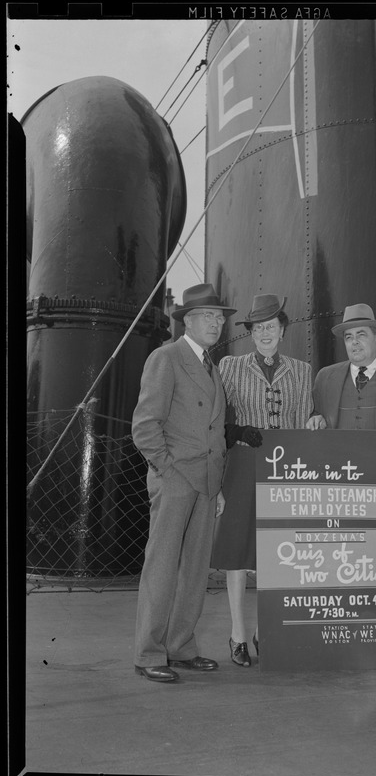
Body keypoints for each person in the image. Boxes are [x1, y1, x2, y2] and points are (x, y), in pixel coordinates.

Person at [131, 283, 236, 683]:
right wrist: (166, 470)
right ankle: (148, 652)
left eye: (219, 317)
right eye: (208, 316)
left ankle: (181, 646)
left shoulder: (212, 365)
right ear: (187, 321)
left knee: (195, 570)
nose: (216, 323)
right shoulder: (167, 358)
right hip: (176, 478)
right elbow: (145, 425)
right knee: (161, 567)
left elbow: (214, 431)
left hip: (207, 482)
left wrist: (219, 484)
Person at [211, 294, 313, 667]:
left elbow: (305, 422)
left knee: (278, 552)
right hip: (241, 465)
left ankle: (265, 630)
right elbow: (216, 419)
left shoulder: (303, 371)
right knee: (237, 551)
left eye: (272, 326)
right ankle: (238, 634)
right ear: (251, 333)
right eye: (259, 328)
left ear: (282, 330)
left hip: (284, 470)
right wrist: (235, 432)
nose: (266, 333)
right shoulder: (230, 366)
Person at [306, 303, 376, 431]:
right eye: (348, 337)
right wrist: (316, 419)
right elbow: (315, 415)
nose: (354, 341)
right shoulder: (324, 377)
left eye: (361, 335)